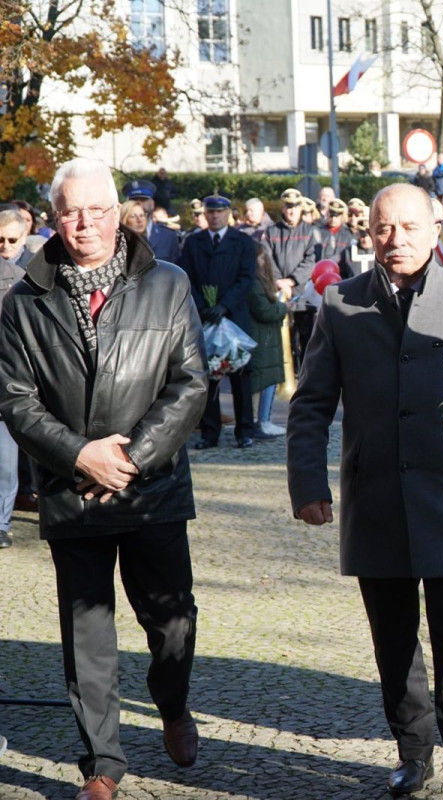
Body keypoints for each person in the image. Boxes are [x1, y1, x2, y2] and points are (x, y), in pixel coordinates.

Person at [0, 157, 207, 800]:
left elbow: (190, 383)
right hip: (72, 492)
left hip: (153, 487)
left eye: (96, 210)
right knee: (86, 630)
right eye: (71, 212)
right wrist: (79, 456)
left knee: (171, 621)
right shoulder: (24, 301)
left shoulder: (168, 282)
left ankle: (173, 703)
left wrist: (131, 458)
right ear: (53, 218)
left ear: (118, 214)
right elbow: (15, 400)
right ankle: (102, 763)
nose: (84, 222)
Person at [288, 183, 443, 800]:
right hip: (374, 493)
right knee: (393, 636)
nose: (395, 238)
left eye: (408, 226)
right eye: (383, 227)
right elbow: (311, 403)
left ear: (435, 229)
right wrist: (307, 483)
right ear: (368, 232)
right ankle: (413, 752)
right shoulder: (341, 302)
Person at [179, 195, 257, 450]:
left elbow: (247, 279)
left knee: (241, 378)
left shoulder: (243, 241)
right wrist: (203, 306)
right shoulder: (194, 242)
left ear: (228, 214)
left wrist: (224, 305)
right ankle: (209, 432)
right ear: (205, 214)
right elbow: (185, 276)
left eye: (219, 212)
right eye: (210, 212)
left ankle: (245, 431)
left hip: (234, 317)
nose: (214, 216)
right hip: (204, 317)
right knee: (207, 377)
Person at [0, 208, 31, 549]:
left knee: (7, 463)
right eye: (0, 240)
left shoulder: (27, 278)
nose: (5, 246)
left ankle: (1, 522)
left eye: (12, 240)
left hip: (10, 378)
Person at [261, 187, 318, 363]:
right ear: (283, 208)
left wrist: (292, 281)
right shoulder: (271, 231)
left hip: (302, 295)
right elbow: (266, 259)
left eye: (295, 206)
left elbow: (311, 260)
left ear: (301, 208)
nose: (292, 211)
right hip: (278, 293)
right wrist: (279, 281)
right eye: (288, 206)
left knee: (306, 341)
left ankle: (304, 374)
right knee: (283, 342)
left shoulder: (309, 231)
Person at [246, 243, 287, 439]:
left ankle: (262, 420)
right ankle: (260, 422)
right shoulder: (254, 283)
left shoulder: (256, 282)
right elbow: (266, 311)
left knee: (266, 381)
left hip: (265, 339)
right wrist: (283, 307)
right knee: (263, 381)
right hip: (262, 340)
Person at [123, 179, 181, 263]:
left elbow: (177, 267)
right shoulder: (118, 237)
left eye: (143, 199)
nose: (139, 204)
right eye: (134, 200)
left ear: (153, 204)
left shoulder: (168, 236)